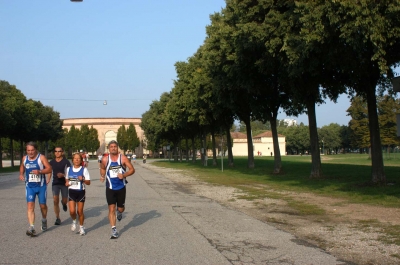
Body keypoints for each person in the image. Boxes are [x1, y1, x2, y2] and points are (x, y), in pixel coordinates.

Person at [100, 140, 135, 239]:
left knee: (120, 208)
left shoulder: (123, 158)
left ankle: (119, 212)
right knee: (111, 208)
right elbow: (102, 168)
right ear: (109, 148)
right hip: (110, 187)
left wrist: (124, 175)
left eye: (115, 146)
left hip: (121, 187)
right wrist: (102, 175)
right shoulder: (105, 159)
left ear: (117, 147)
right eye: (111, 147)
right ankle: (114, 229)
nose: (113, 148)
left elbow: (132, 170)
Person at [19, 141, 52, 236]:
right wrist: (21, 174)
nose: (30, 152)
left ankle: (44, 219)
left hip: (41, 186)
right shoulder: (25, 158)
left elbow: (49, 169)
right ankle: (32, 227)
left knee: (43, 206)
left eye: (32, 150)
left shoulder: (41, 158)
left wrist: (40, 171)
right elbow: (22, 166)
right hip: (30, 186)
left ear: (36, 149)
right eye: (28, 150)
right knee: (30, 206)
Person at [65, 153, 91, 236]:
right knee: (72, 211)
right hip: (72, 191)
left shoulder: (84, 170)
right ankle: (74, 221)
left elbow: (88, 182)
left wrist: (82, 179)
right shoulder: (69, 169)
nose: (76, 160)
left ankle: (81, 227)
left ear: (81, 160)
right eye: (75, 158)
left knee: (80, 211)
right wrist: (67, 183)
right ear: (72, 160)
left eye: (78, 159)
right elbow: (67, 179)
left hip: (80, 192)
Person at [48, 146, 71, 225]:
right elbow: (49, 170)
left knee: (65, 200)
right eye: (56, 151)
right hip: (55, 183)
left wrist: (63, 175)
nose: (57, 153)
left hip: (64, 183)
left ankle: (64, 203)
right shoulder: (52, 162)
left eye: (59, 151)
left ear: (62, 152)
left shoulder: (66, 162)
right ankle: (57, 218)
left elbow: (70, 172)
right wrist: (48, 179)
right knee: (55, 200)